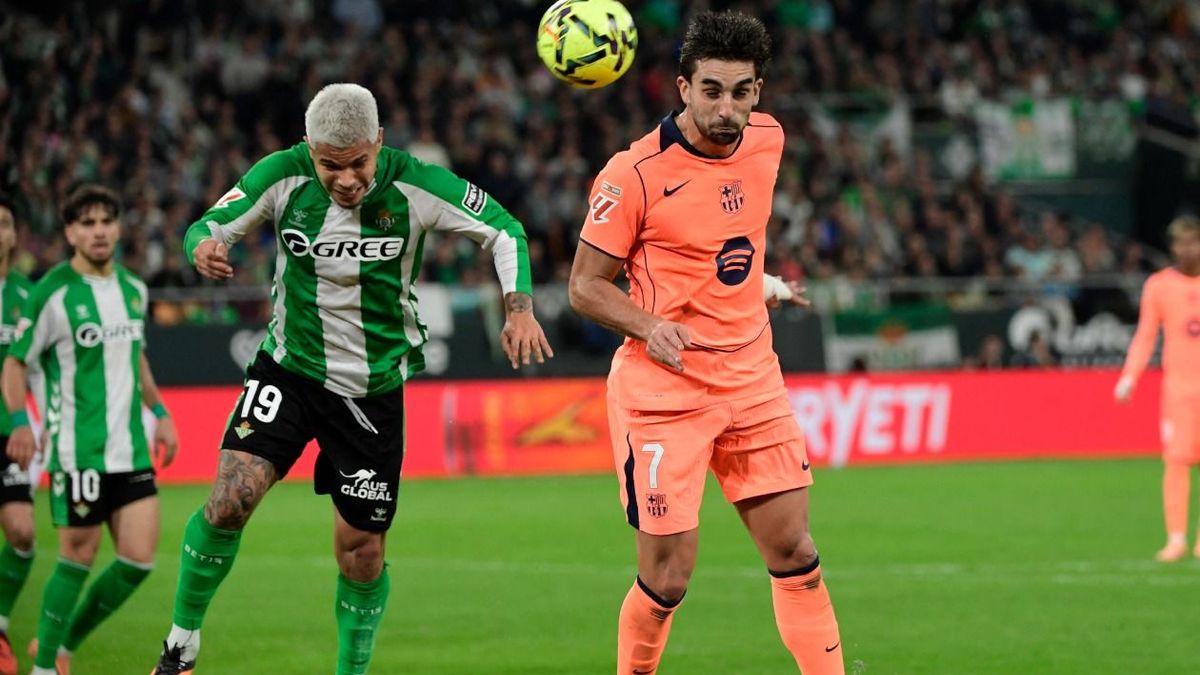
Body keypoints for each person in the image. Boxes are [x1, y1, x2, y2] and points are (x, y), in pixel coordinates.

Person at [152, 83, 552, 675]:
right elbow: (209, 223)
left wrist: (518, 306)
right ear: (308, 149)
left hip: (372, 393)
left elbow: (504, 228)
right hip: (289, 370)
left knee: (361, 555)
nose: (344, 179)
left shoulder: (417, 183)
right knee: (228, 501)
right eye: (329, 166)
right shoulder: (279, 175)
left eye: (358, 163)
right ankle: (181, 645)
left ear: (380, 144)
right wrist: (202, 247)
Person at [568, 12, 842, 675]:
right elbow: (584, 287)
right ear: (683, 87)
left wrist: (762, 283)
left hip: (752, 376)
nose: (727, 108)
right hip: (665, 390)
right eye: (712, 90)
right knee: (667, 579)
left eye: (742, 92)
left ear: (759, 91)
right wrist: (648, 324)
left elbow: (730, 245)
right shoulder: (632, 173)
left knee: (795, 550)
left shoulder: (767, 140)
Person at [2, 184, 179, 675]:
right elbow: (14, 365)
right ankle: (45, 670)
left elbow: (136, 356)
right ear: (70, 232)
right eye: (87, 222)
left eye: (106, 221)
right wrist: (20, 422)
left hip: (132, 451)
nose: (99, 231)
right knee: (76, 559)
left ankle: (60, 646)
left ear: (117, 228)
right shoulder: (50, 293)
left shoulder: (133, 288)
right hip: (77, 452)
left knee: (138, 561)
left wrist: (160, 413)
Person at [1116, 215, 1200, 562]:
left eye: (1193, 241)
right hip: (1179, 390)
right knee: (1177, 460)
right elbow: (1146, 335)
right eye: (1181, 242)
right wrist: (1129, 376)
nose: (1188, 249)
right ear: (1172, 247)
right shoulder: (1159, 286)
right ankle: (1176, 538)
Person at [0, 195, 35, 675]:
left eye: (4, 223)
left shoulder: (30, 297)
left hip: (9, 436)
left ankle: (1, 627)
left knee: (24, 533)